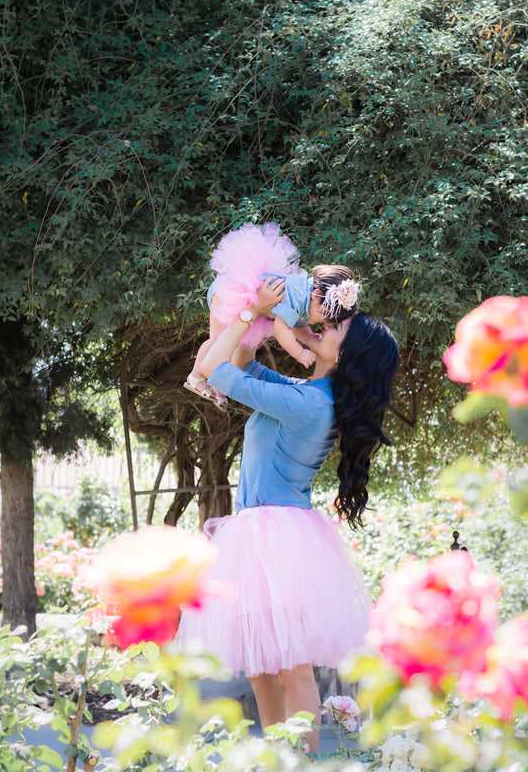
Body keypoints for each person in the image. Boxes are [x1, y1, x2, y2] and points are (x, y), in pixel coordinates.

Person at [177, 277, 398, 754]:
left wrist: (248, 313)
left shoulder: (310, 406)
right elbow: (241, 365)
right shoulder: (305, 392)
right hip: (261, 535)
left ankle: (300, 762)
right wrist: (256, 317)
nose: (326, 325)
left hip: (276, 538)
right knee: (260, 667)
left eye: (339, 328)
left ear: (347, 357)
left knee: (291, 667)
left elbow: (215, 368)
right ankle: (276, 761)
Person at [184, 221, 359, 412]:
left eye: (328, 321)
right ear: (316, 293)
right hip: (232, 293)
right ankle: (196, 376)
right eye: (324, 314)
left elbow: (298, 327)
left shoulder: (307, 302)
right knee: (219, 341)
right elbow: (282, 329)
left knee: (232, 344)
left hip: (249, 303)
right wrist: (299, 353)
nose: (323, 322)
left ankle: (216, 386)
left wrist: (309, 338)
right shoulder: (298, 296)